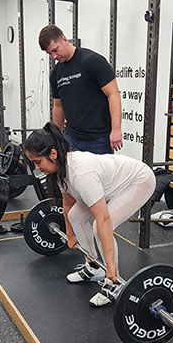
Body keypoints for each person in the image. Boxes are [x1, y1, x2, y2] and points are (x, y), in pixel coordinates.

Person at [24, 122, 155, 307]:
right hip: (111, 183)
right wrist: (69, 234)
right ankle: (94, 267)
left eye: (38, 162)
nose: (37, 167)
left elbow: (103, 219)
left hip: (138, 180)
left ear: (52, 154)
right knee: (76, 216)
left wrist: (110, 266)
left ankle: (113, 281)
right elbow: (68, 204)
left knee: (97, 228)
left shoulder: (81, 174)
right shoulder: (60, 169)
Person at [38, 24, 123, 154]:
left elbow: (113, 94)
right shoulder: (55, 73)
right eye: (49, 53)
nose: (54, 56)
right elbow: (58, 106)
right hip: (71, 138)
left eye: (55, 50)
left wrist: (116, 129)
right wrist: (56, 137)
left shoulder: (92, 61)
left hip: (99, 139)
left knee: (100, 174)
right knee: (71, 174)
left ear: (64, 40)